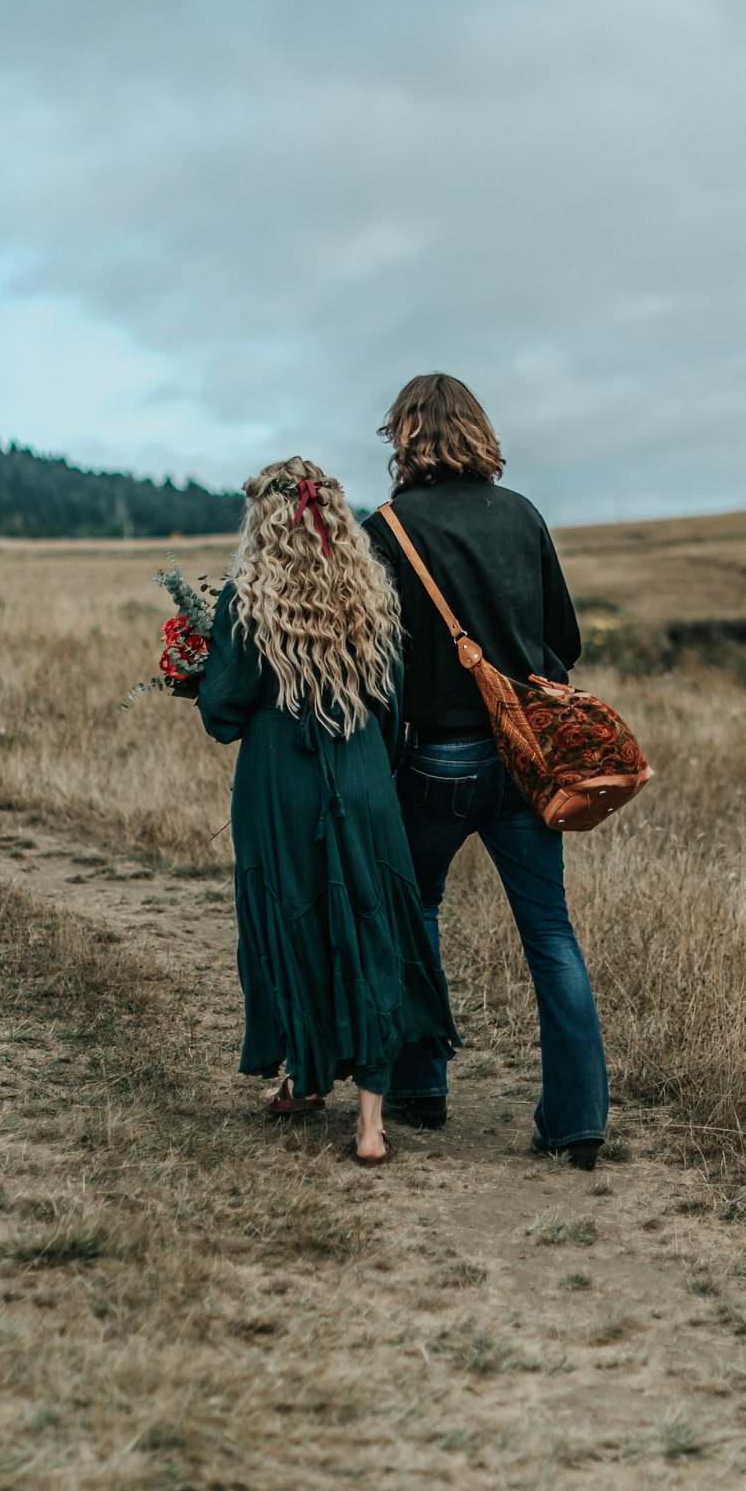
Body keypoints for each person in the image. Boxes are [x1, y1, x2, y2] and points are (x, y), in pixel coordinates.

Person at [361, 374, 609, 1171]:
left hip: (431, 759)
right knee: (550, 935)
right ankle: (577, 1123)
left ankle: (420, 1087)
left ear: (405, 435)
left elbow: (374, 662)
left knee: (417, 911)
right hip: (527, 765)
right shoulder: (525, 515)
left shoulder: (387, 530)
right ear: (477, 429)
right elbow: (561, 641)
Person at [195, 456, 458, 1165]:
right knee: (370, 921)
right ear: (337, 518)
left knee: (294, 920)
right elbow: (392, 704)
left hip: (281, 784)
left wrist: (203, 673)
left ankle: (306, 1079)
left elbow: (222, 712)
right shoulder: (372, 594)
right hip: (363, 769)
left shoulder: (245, 600)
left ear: (265, 523)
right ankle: (370, 1125)